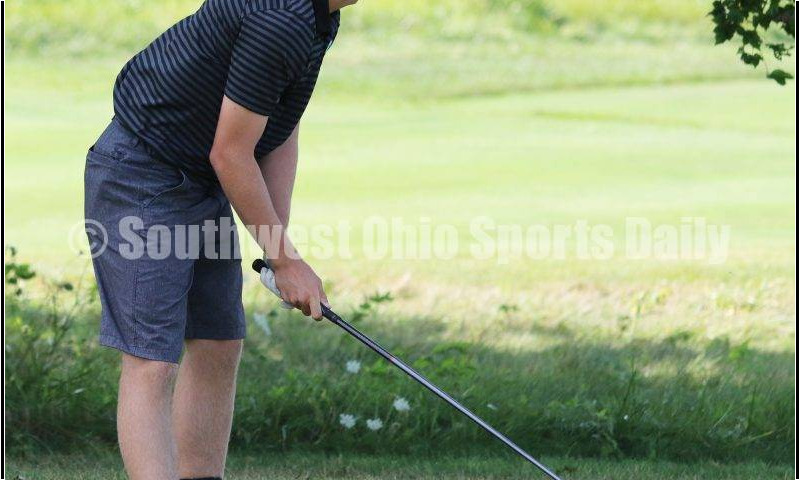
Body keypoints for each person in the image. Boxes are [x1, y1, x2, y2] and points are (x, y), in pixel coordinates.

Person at [83, 0, 357, 478]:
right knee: (152, 360)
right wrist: (286, 260)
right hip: (143, 173)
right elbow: (230, 152)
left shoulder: (320, 16)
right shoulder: (280, 19)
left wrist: (278, 250)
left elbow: (277, 127)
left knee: (217, 341)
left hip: (201, 175)